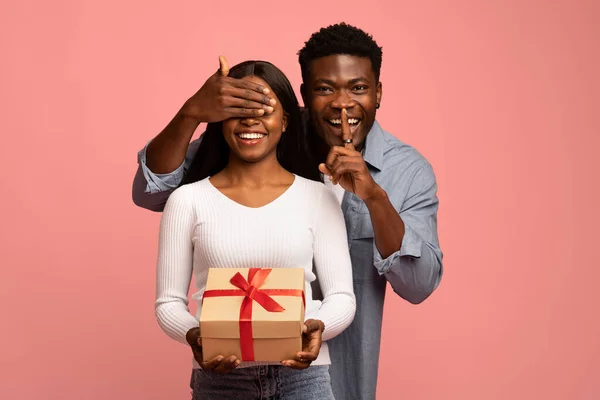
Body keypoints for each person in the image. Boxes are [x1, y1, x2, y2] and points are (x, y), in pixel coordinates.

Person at [136, 23, 443, 400]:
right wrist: (191, 113)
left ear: (378, 92)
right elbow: (156, 190)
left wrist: (374, 196)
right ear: (303, 95)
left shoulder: (406, 171)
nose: (342, 103)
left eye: (358, 88)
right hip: (229, 373)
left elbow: (418, 283)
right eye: (325, 88)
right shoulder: (262, 128)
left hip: (336, 376)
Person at [154, 60, 356, 400]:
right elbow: (168, 303)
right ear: (219, 120)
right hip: (221, 381)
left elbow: (341, 297)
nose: (251, 120)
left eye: (264, 108)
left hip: (304, 380)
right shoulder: (187, 201)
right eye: (238, 108)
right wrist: (195, 335)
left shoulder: (320, 197)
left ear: (285, 121)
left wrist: (316, 328)